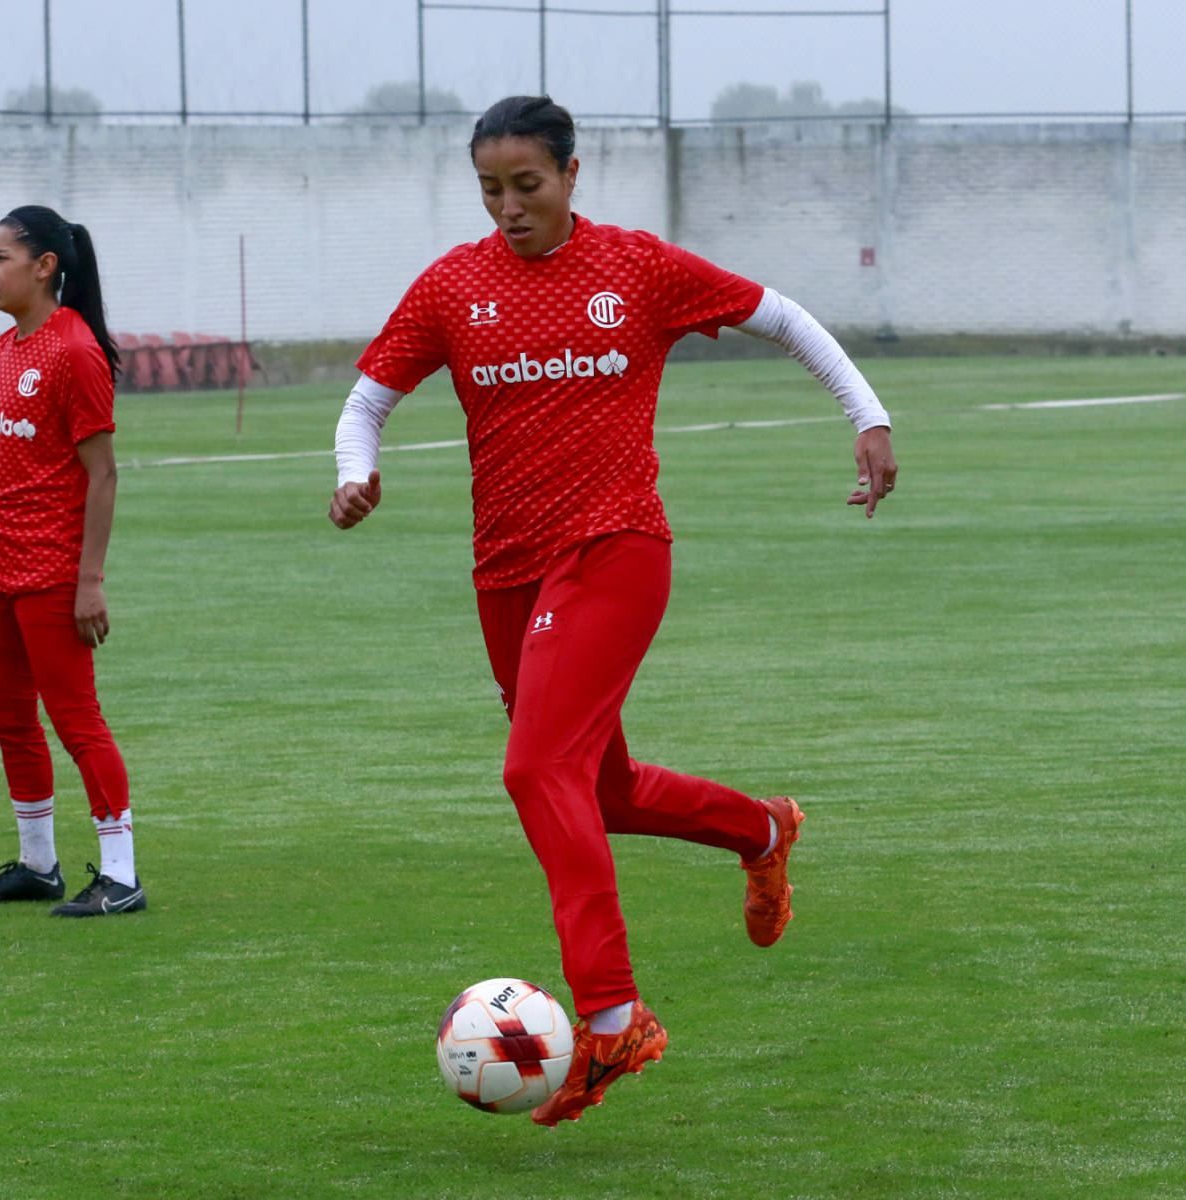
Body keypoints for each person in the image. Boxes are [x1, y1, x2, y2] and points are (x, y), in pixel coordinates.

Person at [329, 96, 897, 1126]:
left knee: (533, 768)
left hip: (614, 548)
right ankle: (759, 829)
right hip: (504, 571)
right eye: (490, 190)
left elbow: (782, 316)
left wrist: (867, 417)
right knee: (602, 787)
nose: (507, 206)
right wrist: (354, 471)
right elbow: (368, 398)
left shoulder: (634, 270)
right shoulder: (453, 285)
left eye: (526, 185)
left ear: (571, 174)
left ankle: (610, 1019)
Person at [0, 204, 145, 918]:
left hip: (50, 571)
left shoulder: (75, 351)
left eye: (0, 259)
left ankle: (120, 875)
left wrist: (90, 580)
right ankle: (38, 864)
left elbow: (103, 474)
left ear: (44, 266)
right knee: (9, 720)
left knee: (75, 719)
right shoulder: (4, 349)